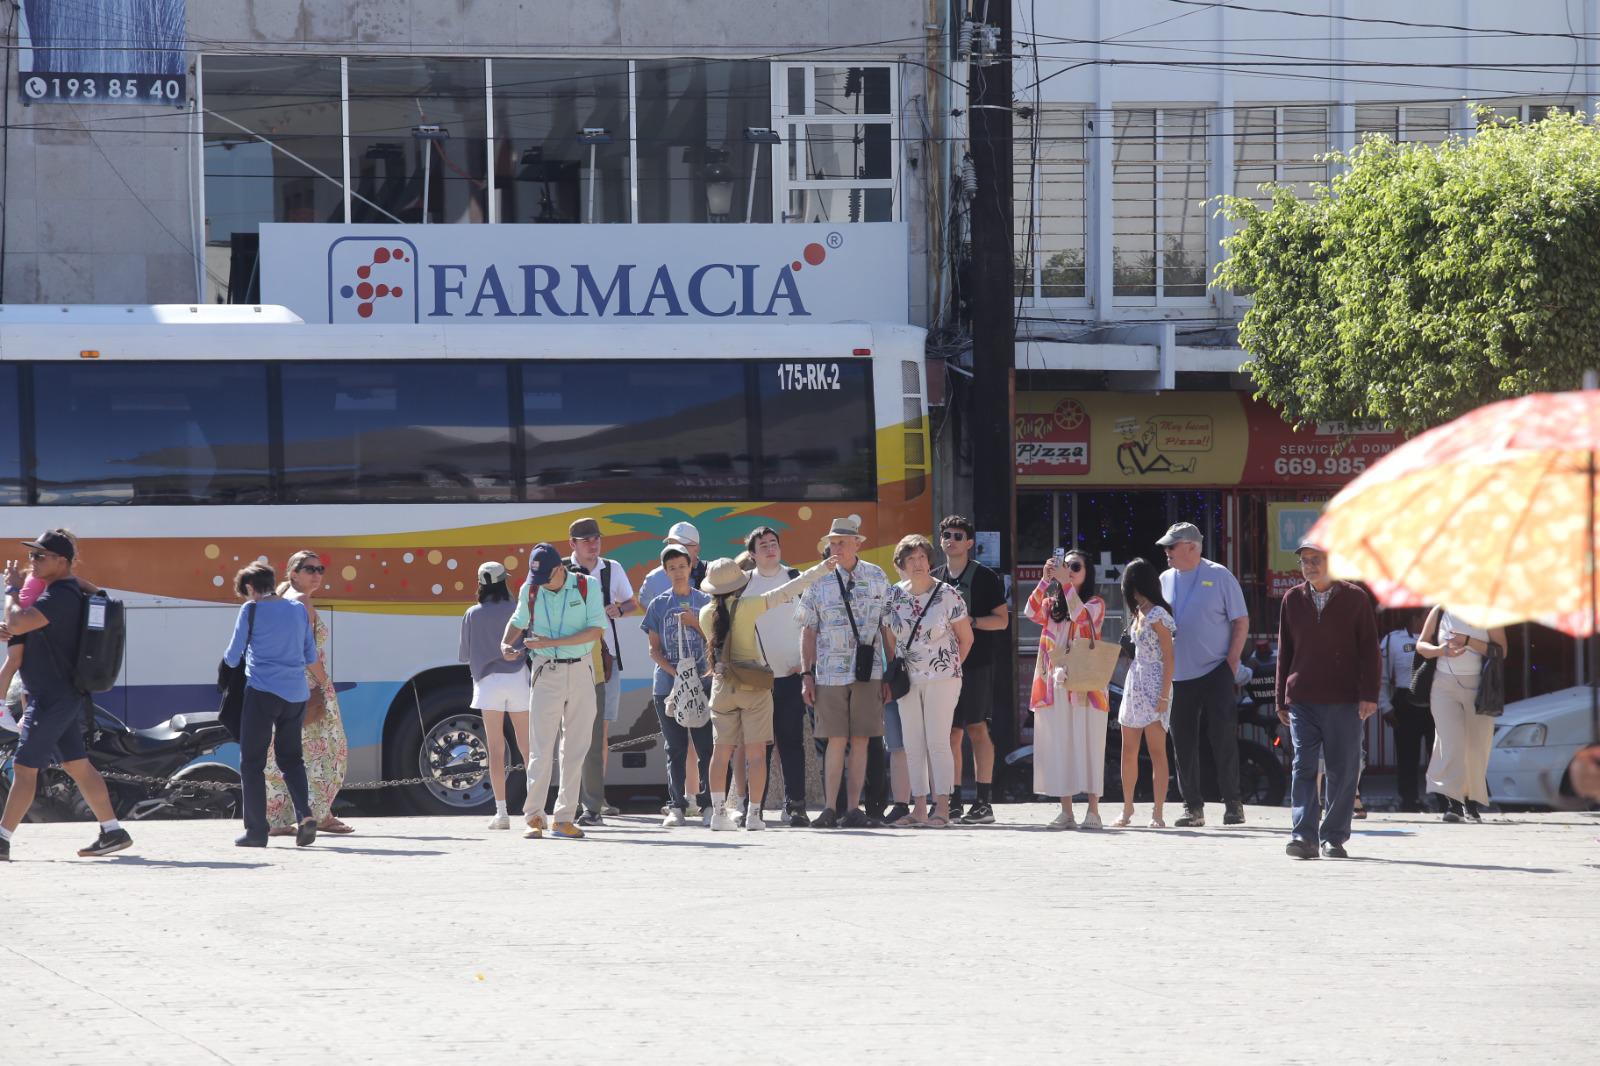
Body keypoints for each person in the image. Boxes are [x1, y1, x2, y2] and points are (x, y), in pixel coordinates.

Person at [0, 531, 132, 860]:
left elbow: (17, 621)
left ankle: (1, 840)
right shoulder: (65, 589)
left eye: (40, 556)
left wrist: (12, 590)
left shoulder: (59, 595)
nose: (33, 561)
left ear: (61, 562)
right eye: (32, 555)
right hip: (60, 696)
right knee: (78, 766)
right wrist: (15, 623)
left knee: (24, 767)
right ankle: (113, 831)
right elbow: (23, 627)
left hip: (52, 698)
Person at [698, 553, 836, 830]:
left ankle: (718, 814)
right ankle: (753, 815)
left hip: (722, 685)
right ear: (739, 585)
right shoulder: (749, 606)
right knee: (757, 753)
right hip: (753, 686)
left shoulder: (704, 614)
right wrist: (822, 567)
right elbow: (788, 590)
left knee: (721, 751)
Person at [1276, 543, 1380, 860]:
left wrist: (1369, 695)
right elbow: (1285, 650)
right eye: (1304, 561)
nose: (1309, 566)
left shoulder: (1356, 598)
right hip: (1303, 697)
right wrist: (1282, 697)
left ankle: (1333, 837)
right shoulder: (1292, 599)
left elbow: (1369, 650)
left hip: (1344, 698)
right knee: (1303, 766)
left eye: (1315, 560)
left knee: (1342, 769)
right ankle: (1303, 837)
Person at [797, 516, 897, 829]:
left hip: (869, 672)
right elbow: (808, 630)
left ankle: (854, 808)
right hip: (828, 672)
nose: (836, 547)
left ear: (857, 543)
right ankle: (830, 809)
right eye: (833, 542)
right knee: (835, 739)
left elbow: (887, 625)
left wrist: (892, 670)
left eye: (842, 541)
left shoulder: (877, 576)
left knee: (862, 739)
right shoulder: (818, 579)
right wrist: (806, 674)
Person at [501, 542, 605, 840]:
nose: (541, 584)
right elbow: (518, 621)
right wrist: (505, 643)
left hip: (581, 670)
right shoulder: (530, 589)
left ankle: (563, 818)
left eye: (546, 577)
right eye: (537, 578)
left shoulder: (587, 586)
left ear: (560, 569)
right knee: (541, 747)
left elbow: (596, 631)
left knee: (576, 748)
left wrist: (547, 643)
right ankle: (534, 816)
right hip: (546, 671)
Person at [1157, 522, 1250, 828]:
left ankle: (1233, 803)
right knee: (1182, 742)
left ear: (1192, 547)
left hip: (1215, 670)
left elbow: (1240, 621)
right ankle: (1191, 806)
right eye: (1167, 547)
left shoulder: (1219, 575)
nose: (1167, 552)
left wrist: (1231, 662)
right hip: (1178, 675)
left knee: (1222, 738)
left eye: (1172, 547)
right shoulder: (1164, 579)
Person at [221, 562, 320, 849]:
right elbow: (309, 652)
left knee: (252, 762)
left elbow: (232, 656)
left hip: (263, 693)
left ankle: (256, 830)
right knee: (292, 759)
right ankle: (305, 816)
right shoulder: (298, 609)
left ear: (251, 588)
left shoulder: (251, 610)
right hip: (296, 695)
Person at [264, 551, 352, 837]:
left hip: (282, 685)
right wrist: (325, 683)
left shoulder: (280, 598)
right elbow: (307, 651)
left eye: (320, 568)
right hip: (307, 686)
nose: (316, 574)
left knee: (285, 751)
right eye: (309, 569)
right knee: (328, 751)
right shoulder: (301, 602)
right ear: (293, 573)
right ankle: (320, 814)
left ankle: (277, 818)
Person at [888, 534, 972, 828]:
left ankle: (943, 808)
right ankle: (919, 808)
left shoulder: (947, 594)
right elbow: (889, 638)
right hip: (907, 680)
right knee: (912, 742)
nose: (918, 563)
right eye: (910, 558)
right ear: (901, 565)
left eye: (922, 557)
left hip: (943, 678)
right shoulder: (894, 595)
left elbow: (966, 638)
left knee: (938, 741)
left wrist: (948, 670)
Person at [932, 515, 1009, 825]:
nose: (951, 539)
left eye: (958, 535)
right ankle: (951, 801)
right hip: (943, 667)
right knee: (950, 733)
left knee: (977, 728)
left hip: (977, 664)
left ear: (969, 543)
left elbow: (1002, 620)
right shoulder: (935, 578)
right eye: (947, 534)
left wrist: (969, 624)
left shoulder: (986, 577)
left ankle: (983, 802)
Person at [1023, 550, 1108, 829]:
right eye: (1065, 565)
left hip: (1085, 684)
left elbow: (1081, 616)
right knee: (1060, 745)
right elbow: (1029, 611)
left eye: (1075, 566)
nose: (1069, 570)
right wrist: (1045, 580)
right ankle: (1066, 810)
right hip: (1054, 683)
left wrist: (1065, 583)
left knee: (1089, 744)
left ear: (1087, 572)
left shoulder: (1096, 603)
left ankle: (1093, 811)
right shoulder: (1051, 603)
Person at [567, 517, 638, 827]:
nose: (593, 545)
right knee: (572, 732)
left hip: (606, 661)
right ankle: (573, 798)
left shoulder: (612, 568)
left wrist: (618, 610)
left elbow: (632, 602)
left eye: (595, 538)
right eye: (585, 540)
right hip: (570, 659)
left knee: (601, 733)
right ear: (572, 545)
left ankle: (596, 799)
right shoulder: (561, 571)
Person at [742, 527, 814, 826]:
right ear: (753, 554)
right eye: (763, 545)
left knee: (791, 742)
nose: (770, 549)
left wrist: (806, 664)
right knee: (758, 745)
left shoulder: (796, 579)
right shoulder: (744, 584)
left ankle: (795, 805)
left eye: (774, 544)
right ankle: (753, 806)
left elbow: (811, 622)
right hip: (757, 679)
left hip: (791, 675)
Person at [642, 543, 714, 827]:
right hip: (667, 687)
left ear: (690, 567)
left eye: (682, 566)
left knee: (707, 745)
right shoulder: (658, 604)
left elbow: (716, 641)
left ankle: (709, 803)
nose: (678, 572)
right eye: (672, 568)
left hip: (704, 683)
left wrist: (695, 623)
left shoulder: (706, 601)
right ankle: (677, 806)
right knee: (675, 747)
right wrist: (677, 673)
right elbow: (653, 650)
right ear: (665, 571)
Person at [1417, 605, 1506, 824]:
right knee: (1451, 742)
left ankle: (1470, 801)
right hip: (1443, 686)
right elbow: (1421, 645)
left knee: (1476, 746)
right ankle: (1453, 803)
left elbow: (1502, 651)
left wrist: (1468, 641)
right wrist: (1442, 651)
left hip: (1479, 688)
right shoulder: (1440, 610)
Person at [461, 561, 530, 830]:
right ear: (505, 582)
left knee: (495, 748)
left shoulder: (471, 614)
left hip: (487, 683)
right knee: (527, 747)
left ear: (480, 584)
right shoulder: (517, 609)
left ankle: (501, 813)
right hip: (517, 679)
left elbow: (465, 654)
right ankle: (535, 810)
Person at [1115, 559, 1174, 828]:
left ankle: (1158, 813)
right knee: (1128, 750)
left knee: (1157, 751)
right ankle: (1127, 809)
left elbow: (1170, 658)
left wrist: (1163, 696)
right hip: (1135, 680)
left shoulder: (1158, 614)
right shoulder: (1138, 613)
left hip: (1154, 682)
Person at [1380, 611, 1433, 812]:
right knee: (1407, 757)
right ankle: (1409, 801)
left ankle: (1446, 801)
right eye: (1425, 616)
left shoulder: (1439, 638)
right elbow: (1381, 677)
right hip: (1405, 702)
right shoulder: (1392, 640)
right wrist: (1385, 706)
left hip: (1434, 701)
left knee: (1438, 755)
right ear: (1415, 618)